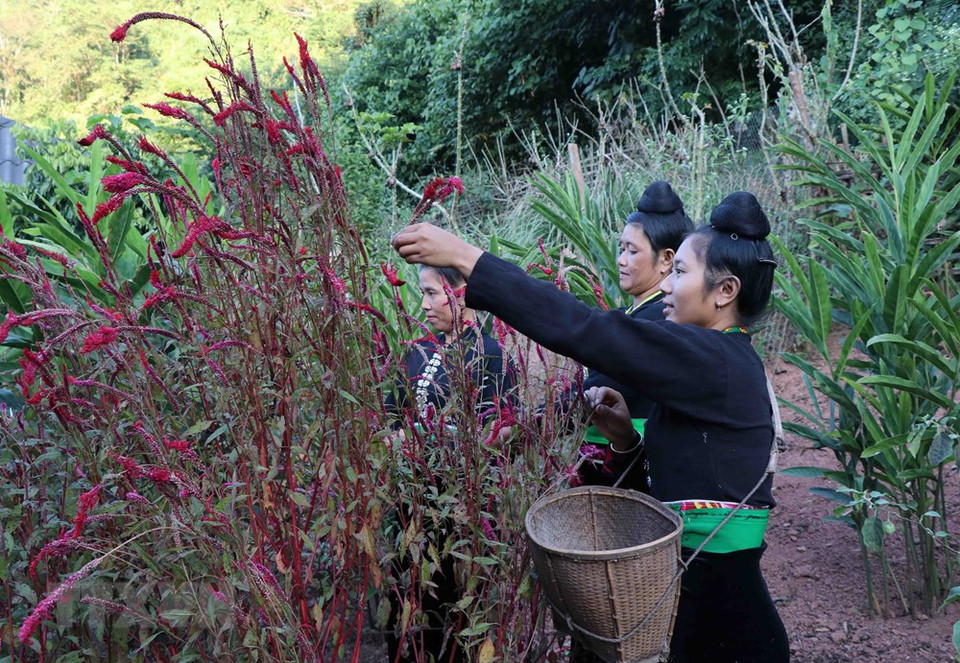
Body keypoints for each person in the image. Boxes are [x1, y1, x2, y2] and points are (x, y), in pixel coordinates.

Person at [391, 192, 790, 663]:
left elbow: (586, 330)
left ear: (725, 292)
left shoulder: (714, 359)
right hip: (697, 614)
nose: (665, 287)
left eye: (680, 273)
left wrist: (467, 259)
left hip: (726, 631)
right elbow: (677, 484)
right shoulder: (714, 362)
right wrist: (624, 440)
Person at [384, 264, 515, 663]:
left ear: (462, 293)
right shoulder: (418, 350)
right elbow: (390, 417)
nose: (422, 305)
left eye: (431, 293)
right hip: (410, 503)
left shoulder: (491, 355)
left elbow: (505, 426)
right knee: (405, 595)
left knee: (452, 600)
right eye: (422, 294)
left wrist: (454, 440)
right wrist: (397, 439)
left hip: (461, 508)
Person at [574, 180, 693, 488]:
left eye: (632, 251)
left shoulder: (659, 320)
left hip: (635, 466)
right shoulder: (636, 314)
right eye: (620, 249)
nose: (621, 260)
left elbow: (600, 385)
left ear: (667, 259)